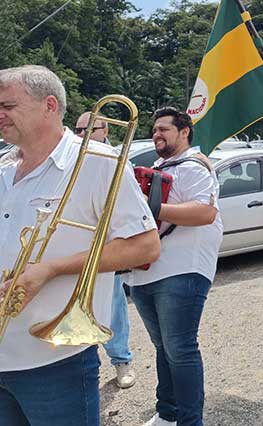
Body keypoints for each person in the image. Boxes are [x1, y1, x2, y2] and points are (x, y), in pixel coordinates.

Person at [0, 65, 160, 426]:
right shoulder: (4, 167)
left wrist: (51, 268)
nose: (0, 114)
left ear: (50, 106)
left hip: (53, 362)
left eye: (7, 105)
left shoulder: (99, 163)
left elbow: (144, 246)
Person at [129, 107, 223, 426]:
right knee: (163, 347)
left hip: (183, 268)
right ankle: (167, 414)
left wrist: (151, 207)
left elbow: (205, 213)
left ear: (184, 132)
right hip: (146, 270)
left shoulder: (195, 166)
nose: (157, 134)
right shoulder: (155, 168)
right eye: (154, 129)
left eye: (164, 129)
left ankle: (188, 421)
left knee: (180, 349)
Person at [74, 111, 136, 389]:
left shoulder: (117, 161)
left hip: (106, 247)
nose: (82, 136)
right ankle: (84, 364)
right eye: (78, 130)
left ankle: (121, 360)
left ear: (105, 131)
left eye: (89, 130)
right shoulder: (73, 160)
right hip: (77, 246)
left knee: (113, 307)